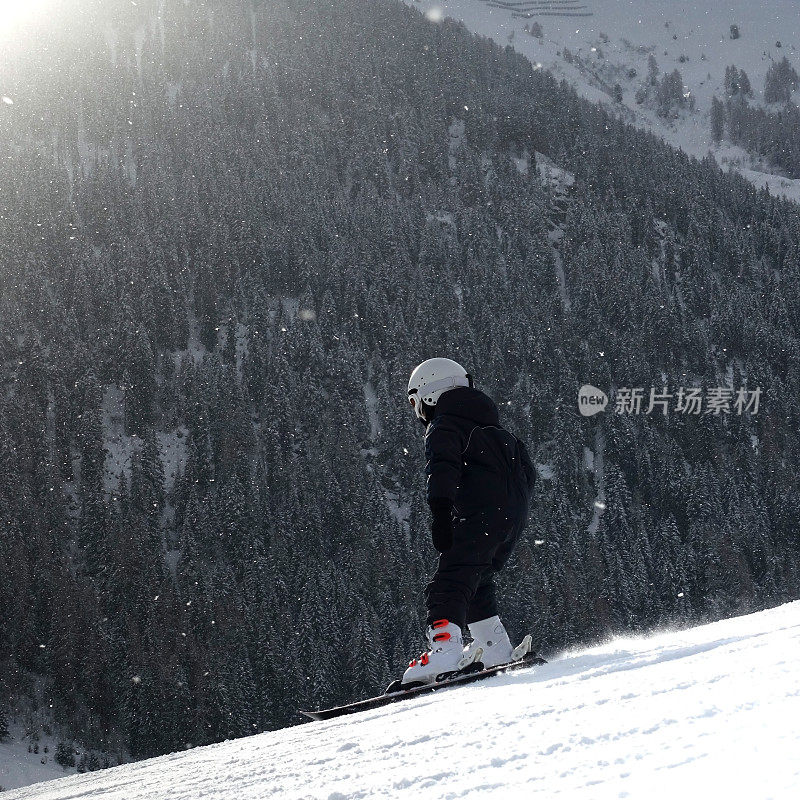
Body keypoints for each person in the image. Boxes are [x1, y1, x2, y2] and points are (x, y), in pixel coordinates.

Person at [403, 357, 536, 686]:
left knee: (450, 580)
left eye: (415, 401)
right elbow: (527, 473)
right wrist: (507, 516)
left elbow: (442, 467)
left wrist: (441, 512)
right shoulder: (497, 429)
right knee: (477, 580)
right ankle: (495, 649)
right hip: (511, 518)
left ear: (430, 393)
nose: (417, 411)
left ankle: (445, 650)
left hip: (480, 514)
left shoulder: (445, 425)